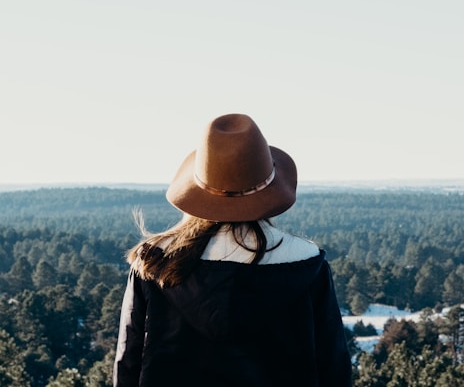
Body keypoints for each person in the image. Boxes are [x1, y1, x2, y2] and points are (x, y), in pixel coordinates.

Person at [113, 113, 352, 386]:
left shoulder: (155, 264)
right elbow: (333, 369)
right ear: (268, 188)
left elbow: (128, 365)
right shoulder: (307, 265)